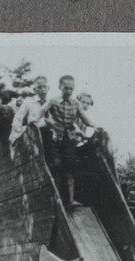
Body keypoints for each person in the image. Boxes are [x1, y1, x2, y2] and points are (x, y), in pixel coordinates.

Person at [38, 75, 95, 208]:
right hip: (55, 137)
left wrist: (94, 126)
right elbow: (40, 112)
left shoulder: (76, 103)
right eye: (66, 88)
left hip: (69, 138)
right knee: (56, 165)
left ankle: (69, 200)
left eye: (71, 89)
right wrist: (33, 122)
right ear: (60, 87)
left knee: (70, 168)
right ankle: (56, 198)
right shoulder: (53, 101)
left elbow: (85, 118)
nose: (68, 91)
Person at [8, 76, 50, 144]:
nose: (42, 89)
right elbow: (18, 118)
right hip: (34, 134)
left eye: (44, 87)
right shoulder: (29, 101)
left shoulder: (51, 102)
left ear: (48, 88)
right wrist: (19, 131)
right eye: (39, 87)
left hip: (49, 135)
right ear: (34, 89)